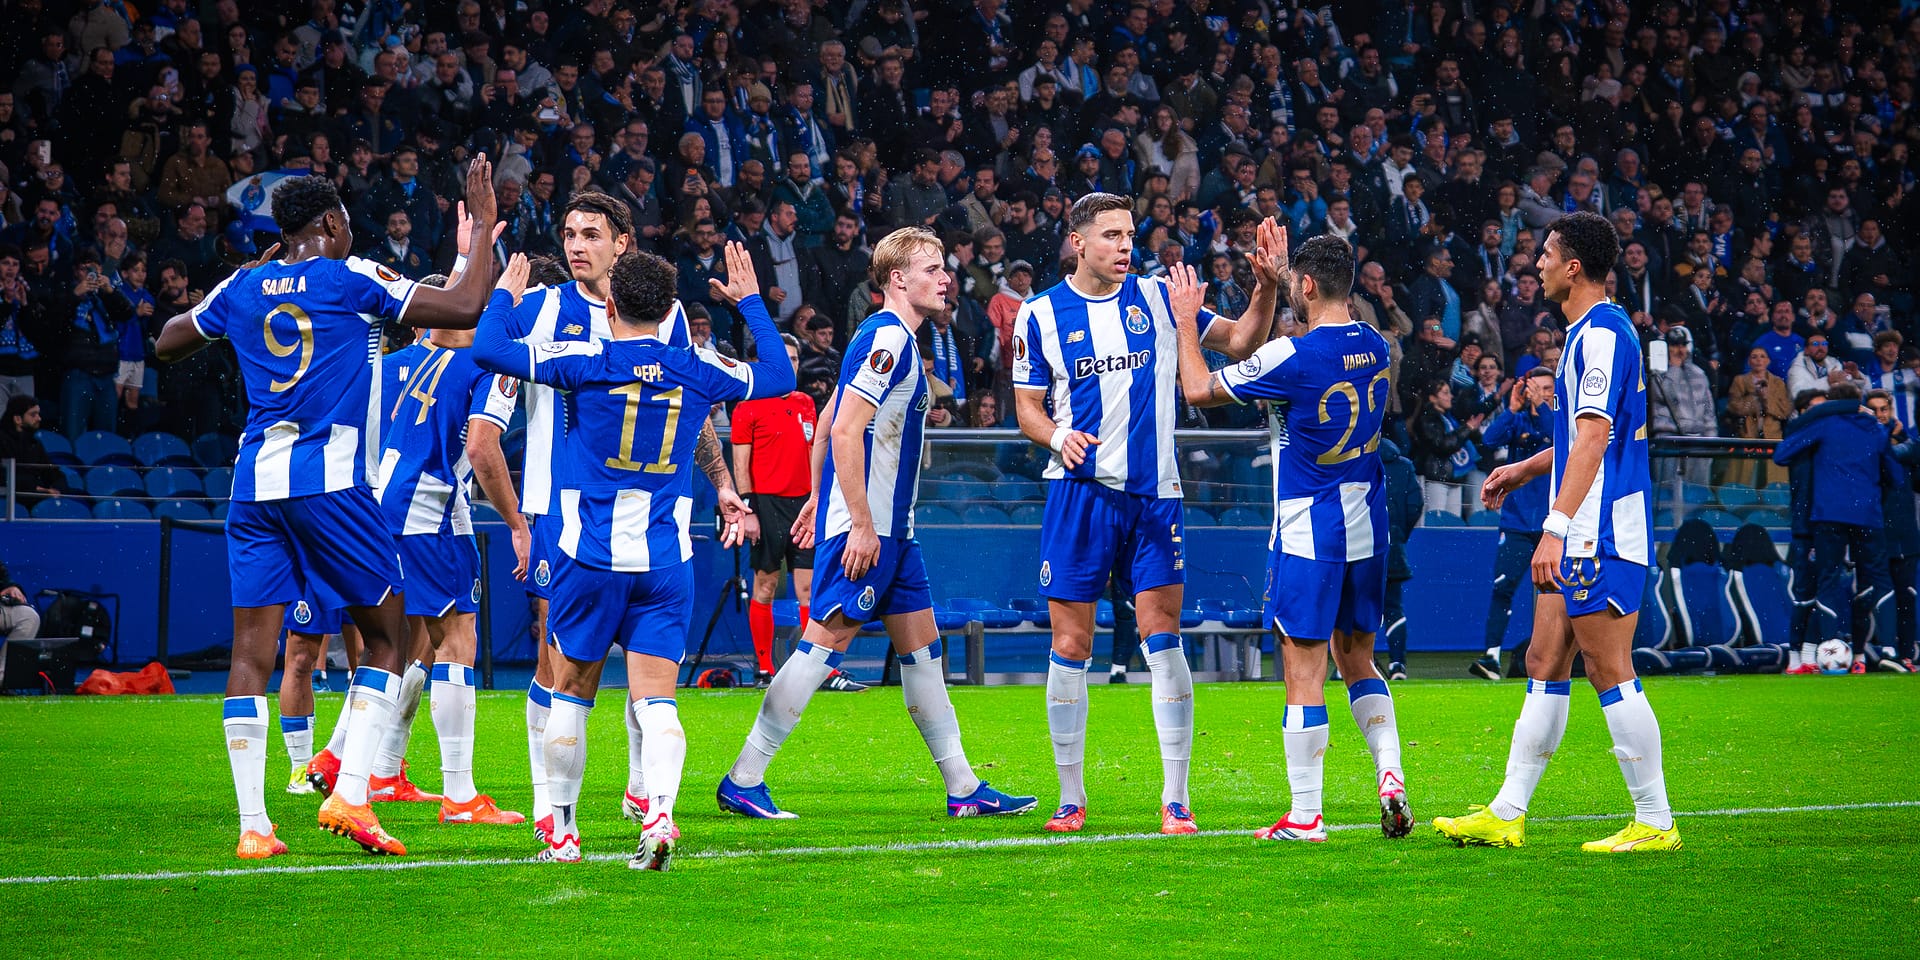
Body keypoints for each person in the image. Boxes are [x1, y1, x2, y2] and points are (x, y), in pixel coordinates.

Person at [152, 162, 501, 860]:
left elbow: (166, 341)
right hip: (332, 481)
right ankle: (351, 795)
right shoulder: (351, 278)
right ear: (332, 224)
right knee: (389, 636)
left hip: (254, 486)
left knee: (250, 654)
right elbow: (465, 307)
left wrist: (247, 287)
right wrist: (485, 225)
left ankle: (254, 826)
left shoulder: (242, 285)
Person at [474, 243, 793, 870]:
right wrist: (752, 302)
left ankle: (564, 834)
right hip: (665, 559)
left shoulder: (585, 361)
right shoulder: (699, 367)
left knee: (571, 693)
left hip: (588, 555)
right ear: (671, 309)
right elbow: (779, 375)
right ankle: (660, 814)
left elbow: (489, 349)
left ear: (611, 307)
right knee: (657, 699)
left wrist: (506, 293)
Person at [716, 227, 1036, 823]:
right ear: (897, 279)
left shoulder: (887, 337)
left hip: (894, 531)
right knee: (820, 649)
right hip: (872, 530)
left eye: (944, 268)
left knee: (924, 654)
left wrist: (818, 497)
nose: (946, 278)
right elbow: (842, 429)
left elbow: (830, 416)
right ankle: (744, 777)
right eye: (932, 269)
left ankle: (964, 787)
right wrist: (858, 522)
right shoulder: (888, 336)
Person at [1011, 194, 1284, 836]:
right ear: (1078, 242)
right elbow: (1026, 407)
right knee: (1070, 644)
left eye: (1129, 234)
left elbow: (1243, 340)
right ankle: (1070, 799)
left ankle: (1176, 799)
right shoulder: (1039, 313)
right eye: (1110, 235)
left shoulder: (1160, 298)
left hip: (1155, 496)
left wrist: (1267, 287)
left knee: (1162, 637)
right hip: (1079, 495)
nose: (1124, 246)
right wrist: (1058, 437)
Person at [1434, 211, 1679, 854]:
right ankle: (1507, 812)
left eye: (1545, 254)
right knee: (1544, 661)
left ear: (1573, 267)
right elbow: (1580, 438)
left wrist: (1554, 527)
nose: (1535, 263)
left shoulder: (1602, 336)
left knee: (1608, 667)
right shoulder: (1585, 335)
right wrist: (1526, 468)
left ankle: (1656, 820)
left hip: (1600, 529)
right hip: (1580, 526)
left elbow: (1596, 440)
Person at [1169, 236, 1412, 842]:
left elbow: (1197, 389)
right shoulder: (1375, 343)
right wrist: (1277, 276)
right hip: (1368, 524)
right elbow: (1317, 316)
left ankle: (1306, 815)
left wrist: (1185, 322)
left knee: (1303, 672)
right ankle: (1390, 774)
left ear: (1305, 285)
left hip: (1309, 529)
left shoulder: (1290, 356)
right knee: (1358, 659)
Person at [1771, 381, 1896, 674]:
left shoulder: (1825, 426)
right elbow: (1895, 475)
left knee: (1827, 580)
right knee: (1876, 581)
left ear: (1832, 403)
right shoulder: (1876, 430)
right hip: (1868, 515)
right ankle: (1887, 649)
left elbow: (1781, 454)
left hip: (1829, 515)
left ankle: (1829, 647)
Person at [731, 333, 826, 687]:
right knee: (766, 585)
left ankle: (814, 669)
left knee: (809, 589)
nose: (791, 365)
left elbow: (813, 453)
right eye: (784, 359)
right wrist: (748, 510)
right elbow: (740, 464)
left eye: (795, 359)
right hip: (766, 504)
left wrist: (817, 499)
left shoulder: (806, 403)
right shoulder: (747, 406)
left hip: (803, 504)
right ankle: (764, 669)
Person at [1472, 368, 1555, 679]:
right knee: (1503, 586)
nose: (1541, 393)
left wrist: (1542, 406)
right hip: (1517, 522)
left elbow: (1559, 438)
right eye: (1537, 388)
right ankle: (1491, 656)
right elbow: (1489, 441)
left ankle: (1558, 656)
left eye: (1546, 388)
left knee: (1558, 592)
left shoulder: (1559, 420)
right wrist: (1511, 409)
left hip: (1552, 523)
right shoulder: (1518, 421)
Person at [1863, 389, 1918, 674]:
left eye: (1884, 409)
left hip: (1906, 533)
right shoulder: (1866, 442)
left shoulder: (1906, 444)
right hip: (1877, 531)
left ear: (1891, 410)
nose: (1880, 415)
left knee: (1906, 594)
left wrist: (1902, 436)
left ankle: (1907, 653)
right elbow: (1882, 456)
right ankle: (1883, 649)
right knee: (1879, 594)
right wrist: (1891, 436)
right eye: (1874, 410)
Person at [1725, 346, 1792, 487]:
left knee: (1773, 479)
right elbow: (1733, 406)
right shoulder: (1740, 381)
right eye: (1754, 357)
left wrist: (1767, 400)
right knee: (1745, 478)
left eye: (1762, 356)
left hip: (1772, 435)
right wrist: (1753, 401)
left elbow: (1785, 411)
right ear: (1749, 361)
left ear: (1768, 361)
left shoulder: (1778, 383)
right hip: (1747, 434)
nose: (1758, 360)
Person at [0, 395, 62, 505]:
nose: (39, 418)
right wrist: (36, 488)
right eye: (33, 415)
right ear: (17, 419)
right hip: (13, 497)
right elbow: (4, 477)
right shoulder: (2, 441)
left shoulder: (34, 443)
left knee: (81, 497)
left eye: (38, 414)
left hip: (36, 493)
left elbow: (52, 473)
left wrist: (57, 488)